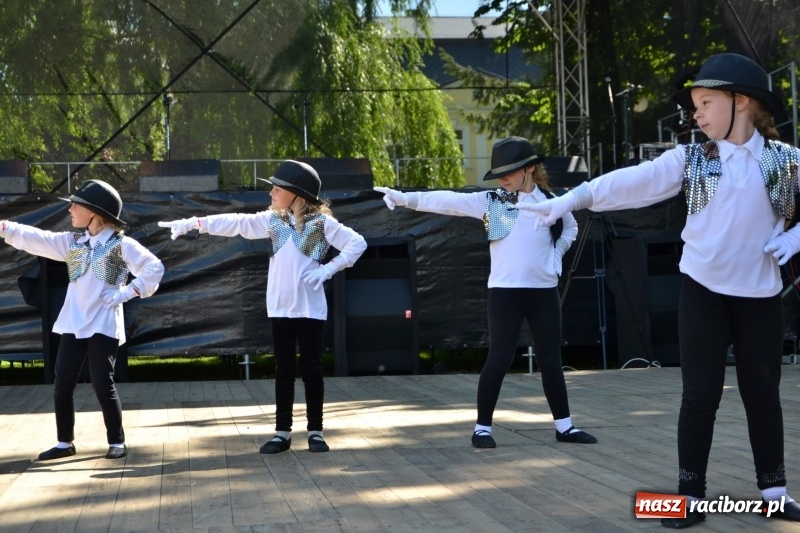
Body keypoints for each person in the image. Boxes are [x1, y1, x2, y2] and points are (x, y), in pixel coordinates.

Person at [523, 53, 800, 527]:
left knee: (763, 393)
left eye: (706, 102)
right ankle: (689, 497)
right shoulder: (691, 159)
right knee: (699, 396)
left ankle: (775, 491)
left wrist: (796, 236)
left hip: (759, 296)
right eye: (695, 104)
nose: (697, 113)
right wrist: (573, 197)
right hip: (703, 293)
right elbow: (634, 183)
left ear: (743, 102)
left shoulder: (787, 161)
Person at [375, 136, 597, 449]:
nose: (503, 178)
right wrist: (403, 198)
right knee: (499, 358)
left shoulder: (551, 199)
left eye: (509, 171)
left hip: (543, 291)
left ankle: (565, 426)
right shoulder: (493, 201)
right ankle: (482, 428)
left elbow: (571, 227)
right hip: (505, 292)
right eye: (499, 173)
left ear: (530, 168)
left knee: (550, 358)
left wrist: (556, 255)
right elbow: (447, 201)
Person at [159, 160, 366, 454]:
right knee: (283, 370)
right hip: (280, 309)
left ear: (297, 194)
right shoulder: (274, 222)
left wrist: (326, 270)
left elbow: (357, 243)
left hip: (309, 310)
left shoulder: (322, 224)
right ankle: (282, 433)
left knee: (312, 370)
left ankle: (316, 432)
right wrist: (196, 223)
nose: (270, 191)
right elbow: (238, 223)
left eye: (277, 188)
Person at [0, 179, 164, 461]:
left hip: (102, 324)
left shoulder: (121, 245)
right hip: (74, 324)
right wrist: (6, 228)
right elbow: (40, 239)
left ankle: (117, 441)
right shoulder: (74, 243)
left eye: (75, 206)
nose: (70, 210)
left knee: (103, 383)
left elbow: (154, 268)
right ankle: (65, 442)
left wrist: (126, 292)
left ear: (94, 212)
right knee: (62, 382)